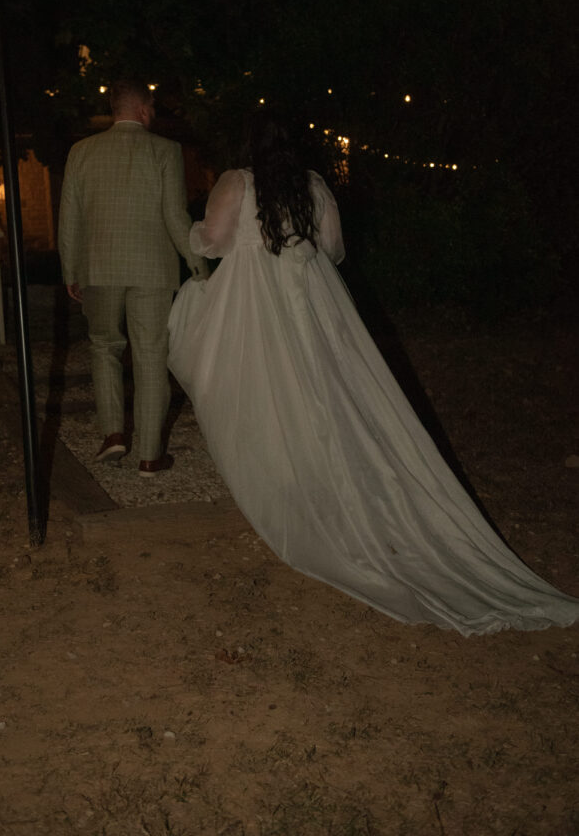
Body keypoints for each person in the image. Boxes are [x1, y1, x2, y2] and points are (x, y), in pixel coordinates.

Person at [168, 113, 579, 635]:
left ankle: (289, 480)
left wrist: (197, 233)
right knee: (332, 389)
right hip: (313, 297)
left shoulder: (236, 182)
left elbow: (214, 241)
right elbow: (334, 249)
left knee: (266, 387)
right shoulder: (313, 185)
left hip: (257, 298)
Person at [59, 77, 207, 476]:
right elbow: (175, 215)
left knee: (104, 346)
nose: (155, 114)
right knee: (150, 356)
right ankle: (149, 454)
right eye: (153, 108)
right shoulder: (165, 150)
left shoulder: (81, 152)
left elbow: (69, 217)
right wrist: (197, 264)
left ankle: (112, 433)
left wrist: (71, 270)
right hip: (152, 270)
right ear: (143, 110)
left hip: (99, 268)